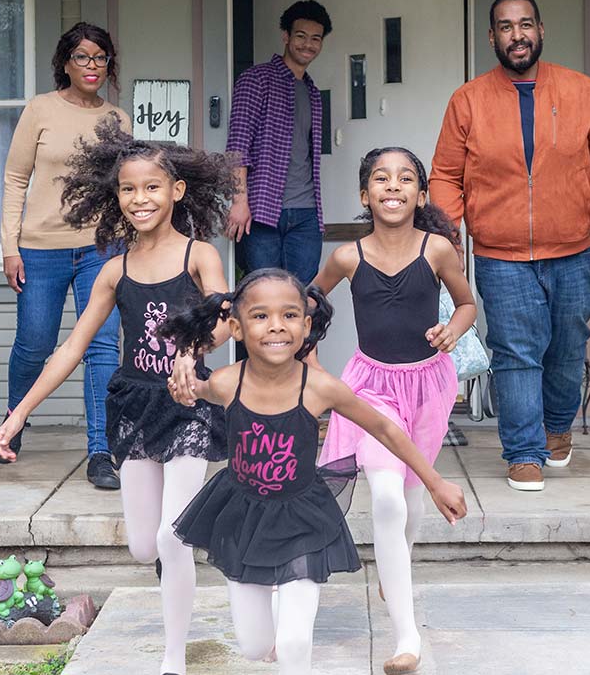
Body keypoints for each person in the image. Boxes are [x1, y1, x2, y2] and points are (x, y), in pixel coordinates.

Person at [0, 121, 236, 675]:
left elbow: (227, 318)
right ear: (116, 196)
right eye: (129, 189)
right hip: (133, 405)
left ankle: (173, 657)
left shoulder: (199, 256)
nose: (140, 198)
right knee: (142, 548)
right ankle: (177, 551)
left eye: (152, 187)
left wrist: (192, 350)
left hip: (190, 403)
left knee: (174, 537)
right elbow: (69, 351)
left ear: (176, 191)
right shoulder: (113, 270)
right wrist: (18, 414)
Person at [161, 268, 467, 675]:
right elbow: (191, 387)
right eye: (260, 316)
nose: (276, 327)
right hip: (243, 518)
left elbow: (383, 428)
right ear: (235, 327)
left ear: (306, 325)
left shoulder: (321, 387)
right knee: (254, 647)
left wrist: (435, 481)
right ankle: (268, 609)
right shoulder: (225, 382)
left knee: (293, 644)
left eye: (289, 315)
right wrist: (182, 379)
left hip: (302, 521)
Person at [430, 0, 590, 492]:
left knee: (567, 348)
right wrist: (447, 239)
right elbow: (445, 177)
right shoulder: (469, 100)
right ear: (492, 37)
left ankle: (557, 428)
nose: (515, 36)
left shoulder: (581, 90)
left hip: (573, 250)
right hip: (501, 255)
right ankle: (522, 451)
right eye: (504, 27)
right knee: (516, 351)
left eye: (524, 25)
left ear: (540, 30)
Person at [310, 147, 476, 674]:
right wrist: (313, 371)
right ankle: (407, 638)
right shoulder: (347, 257)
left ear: (421, 195)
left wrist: (452, 330)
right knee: (385, 494)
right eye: (381, 179)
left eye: (406, 179)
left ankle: (393, 566)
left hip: (429, 386)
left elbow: (467, 303)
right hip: (370, 387)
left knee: (409, 496)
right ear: (365, 196)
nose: (393, 186)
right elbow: (308, 305)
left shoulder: (438, 250)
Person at [0, 22, 128, 490]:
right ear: (65, 63)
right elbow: (15, 179)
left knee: (101, 347)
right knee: (34, 344)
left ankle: (100, 451)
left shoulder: (117, 119)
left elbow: (125, 189)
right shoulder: (40, 110)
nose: (92, 66)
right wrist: (10, 246)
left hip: (102, 247)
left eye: (100, 57)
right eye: (82, 57)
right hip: (40, 249)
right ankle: (14, 420)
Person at [224, 0, 332, 285]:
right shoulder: (255, 79)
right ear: (286, 36)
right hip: (262, 210)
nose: (307, 44)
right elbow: (237, 147)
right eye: (300, 35)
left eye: (315, 38)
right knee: (262, 292)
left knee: (302, 297)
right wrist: (239, 201)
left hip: (307, 211)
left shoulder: (312, 91)